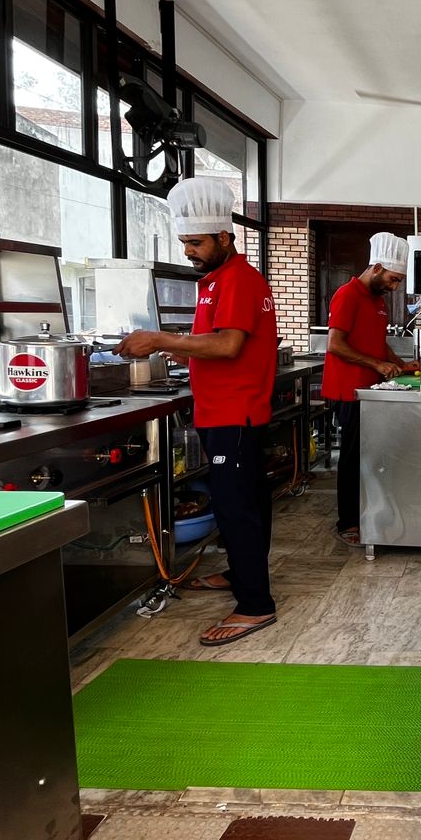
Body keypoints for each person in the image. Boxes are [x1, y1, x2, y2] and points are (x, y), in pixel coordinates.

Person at [116, 178, 278, 647]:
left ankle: (255, 604)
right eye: (185, 242)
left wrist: (158, 339)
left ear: (224, 237)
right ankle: (241, 574)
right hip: (223, 411)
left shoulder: (239, 280)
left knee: (236, 508)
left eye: (196, 242)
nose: (188, 251)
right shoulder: (217, 281)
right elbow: (214, 345)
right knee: (247, 502)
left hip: (235, 414)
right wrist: (180, 350)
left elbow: (228, 345)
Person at [322, 232, 418, 547]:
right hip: (349, 390)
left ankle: (368, 512)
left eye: (398, 281)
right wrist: (377, 365)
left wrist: (401, 364)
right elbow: (335, 344)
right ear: (376, 268)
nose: (395, 287)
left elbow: (378, 343)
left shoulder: (377, 301)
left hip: (370, 391)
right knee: (352, 457)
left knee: (369, 455)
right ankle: (347, 522)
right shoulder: (347, 295)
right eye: (393, 280)